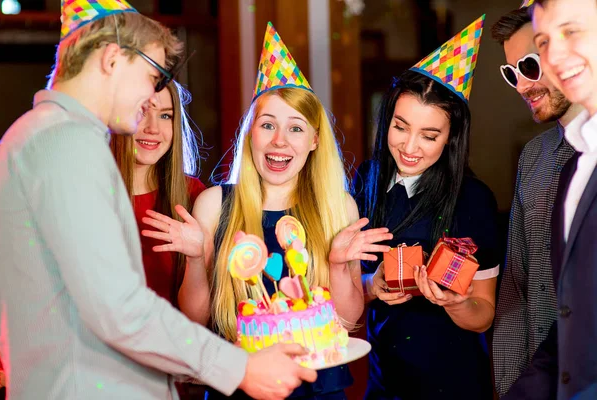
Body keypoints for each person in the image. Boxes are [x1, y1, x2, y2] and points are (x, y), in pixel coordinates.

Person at [0, 2, 316, 399]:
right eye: (152, 75)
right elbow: (118, 307)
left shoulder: (31, 136)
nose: (152, 94)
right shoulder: (68, 143)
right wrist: (239, 366)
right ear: (113, 59)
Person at [144, 22, 389, 399]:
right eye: (268, 124)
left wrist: (339, 265)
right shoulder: (214, 203)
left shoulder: (338, 206)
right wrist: (197, 260)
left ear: (314, 140)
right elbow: (196, 319)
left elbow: (348, 320)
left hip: (319, 388)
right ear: (250, 134)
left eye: (295, 128)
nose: (279, 141)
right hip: (239, 387)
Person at [354, 16, 501, 399]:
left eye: (429, 135)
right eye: (400, 127)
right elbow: (340, 283)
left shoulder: (474, 199)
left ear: (451, 138)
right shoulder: (364, 180)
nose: (410, 147)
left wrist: (457, 302)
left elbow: (484, 315)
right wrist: (373, 286)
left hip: (454, 383)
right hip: (382, 380)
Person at [504, 0, 597, 398]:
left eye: (529, 65)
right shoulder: (538, 159)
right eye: (512, 74)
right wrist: (510, 384)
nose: (523, 84)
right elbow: (517, 281)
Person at [110, 80, 206, 308]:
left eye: (165, 116)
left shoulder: (194, 195)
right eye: (142, 112)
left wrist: (197, 258)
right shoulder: (90, 192)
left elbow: (199, 319)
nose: (153, 128)